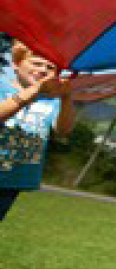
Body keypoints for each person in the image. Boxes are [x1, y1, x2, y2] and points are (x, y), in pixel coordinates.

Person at [1, 41, 78, 222]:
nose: (43, 70)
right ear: (16, 64)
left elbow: (63, 130)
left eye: (50, 67)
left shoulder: (51, 101)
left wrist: (66, 97)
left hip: (12, 181)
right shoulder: (2, 87)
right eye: (36, 63)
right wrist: (35, 90)